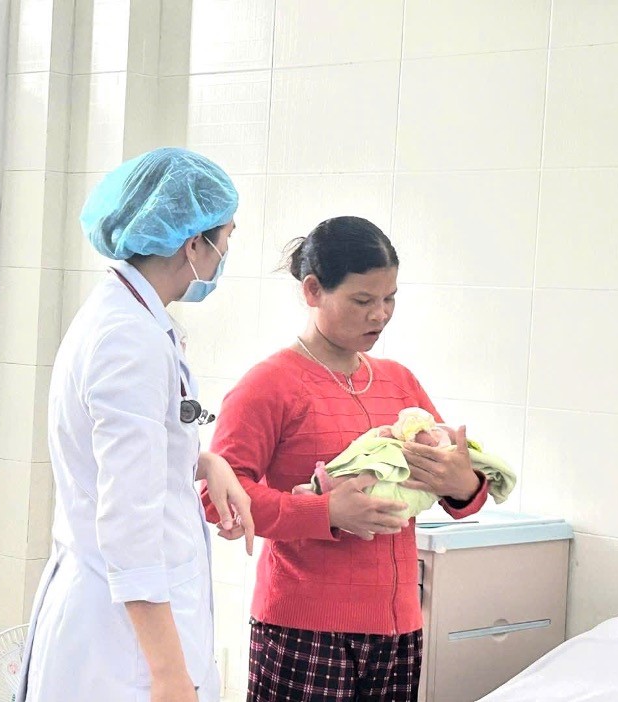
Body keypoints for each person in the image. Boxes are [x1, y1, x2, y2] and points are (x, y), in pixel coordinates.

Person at [205, 216, 488, 701]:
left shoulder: (400, 382)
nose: (380, 315)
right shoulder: (269, 385)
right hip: (304, 629)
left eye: (390, 298)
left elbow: (455, 488)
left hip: (398, 629)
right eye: (362, 301)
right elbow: (219, 498)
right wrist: (326, 512)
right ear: (313, 290)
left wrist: (465, 484)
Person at [17, 147, 254, 702]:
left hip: (125, 629)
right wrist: (169, 674)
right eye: (225, 238)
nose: (224, 253)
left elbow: (124, 453)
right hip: (124, 652)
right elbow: (128, 522)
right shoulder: (129, 341)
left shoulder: (129, 319)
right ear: (193, 244)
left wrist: (203, 461)